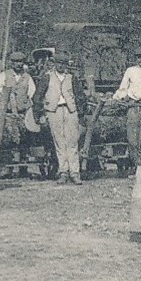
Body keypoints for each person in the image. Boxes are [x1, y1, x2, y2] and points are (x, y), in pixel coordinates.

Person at [41, 52, 82, 183]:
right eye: (58, 63)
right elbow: (38, 96)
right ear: (54, 63)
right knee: (59, 142)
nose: (61, 66)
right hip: (54, 111)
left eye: (63, 64)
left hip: (70, 110)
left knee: (72, 142)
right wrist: (40, 114)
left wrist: (81, 113)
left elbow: (80, 96)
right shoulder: (47, 77)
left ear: (67, 65)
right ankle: (63, 172)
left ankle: (75, 172)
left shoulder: (71, 78)